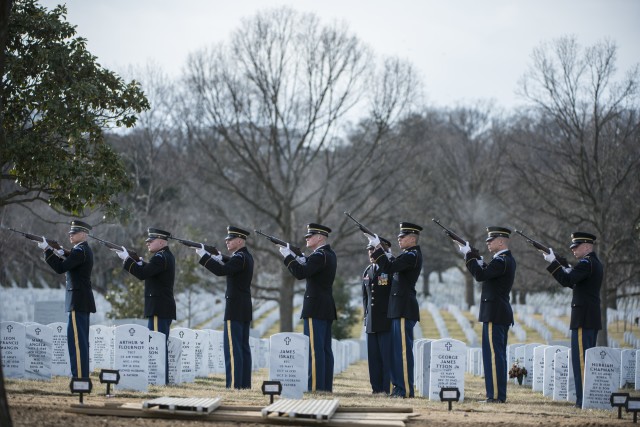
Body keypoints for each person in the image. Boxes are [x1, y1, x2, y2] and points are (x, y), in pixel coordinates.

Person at [542, 231, 602, 409]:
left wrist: (553, 263)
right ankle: (584, 399)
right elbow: (574, 278)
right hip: (588, 317)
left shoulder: (587, 263)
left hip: (583, 318)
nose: (573, 250)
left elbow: (567, 280)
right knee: (582, 360)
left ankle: (583, 400)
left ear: (587, 246)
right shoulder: (592, 263)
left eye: (576, 247)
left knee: (581, 361)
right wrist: (564, 265)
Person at [458, 226, 515, 403]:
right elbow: (487, 272)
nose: (488, 243)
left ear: (501, 241)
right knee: (496, 355)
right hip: (497, 313)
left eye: (491, 240)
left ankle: (496, 396)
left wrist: (468, 256)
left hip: (494, 314)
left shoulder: (502, 260)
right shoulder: (503, 260)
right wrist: (478, 259)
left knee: (493, 356)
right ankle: (496, 395)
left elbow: (480, 275)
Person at [193, 226, 254, 389]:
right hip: (244, 307)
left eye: (231, 239)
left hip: (234, 308)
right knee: (242, 348)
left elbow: (221, 271)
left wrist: (204, 256)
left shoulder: (240, 257)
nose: (226, 241)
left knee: (233, 349)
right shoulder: (245, 256)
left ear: (240, 241)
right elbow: (230, 263)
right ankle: (244, 385)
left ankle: (234, 385)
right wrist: (219, 256)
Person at [279, 223, 337, 393]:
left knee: (314, 349)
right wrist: (301, 258)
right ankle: (325, 386)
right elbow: (309, 267)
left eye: (310, 236)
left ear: (320, 237)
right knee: (324, 349)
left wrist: (287, 256)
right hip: (325, 306)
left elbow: (300, 273)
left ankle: (315, 386)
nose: (307, 238)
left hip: (315, 306)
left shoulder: (320, 255)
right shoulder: (329, 254)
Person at [367, 222, 422, 398]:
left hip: (404, 308)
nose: (399, 239)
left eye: (402, 237)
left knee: (403, 353)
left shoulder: (412, 255)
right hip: (398, 309)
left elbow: (389, 267)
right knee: (398, 353)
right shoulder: (406, 255)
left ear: (412, 238)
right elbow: (390, 264)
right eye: (398, 236)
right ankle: (399, 387)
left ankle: (405, 389)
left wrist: (378, 247)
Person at [115, 228, 176, 385]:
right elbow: (149, 270)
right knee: (158, 344)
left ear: (162, 241)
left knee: (156, 344)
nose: (148, 242)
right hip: (161, 307)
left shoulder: (160, 257)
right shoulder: (163, 257)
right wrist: (139, 262)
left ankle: (159, 380)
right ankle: (161, 379)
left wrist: (127, 260)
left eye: (152, 240)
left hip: (158, 308)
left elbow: (143, 274)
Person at [38, 220, 96, 379]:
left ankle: (79, 377)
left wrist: (47, 251)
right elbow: (70, 260)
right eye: (70, 232)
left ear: (84, 234)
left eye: (74, 232)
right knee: (80, 341)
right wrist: (60, 251)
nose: (70, 234)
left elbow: (60, 268)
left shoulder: (80, 251)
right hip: (81, 300)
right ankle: (81, 374)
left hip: (78, 301)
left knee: (76, 341)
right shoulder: (81, 250)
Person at [362, 236, 393, 395]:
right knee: (373, 358)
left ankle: (386, 388)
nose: (370, 252)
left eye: (373, 249)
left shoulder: (388, 268)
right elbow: (365, 298)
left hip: (386, 320)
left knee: (385, 357)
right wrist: (366, 317)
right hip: (371, 321)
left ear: (383, 249)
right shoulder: (368, 271)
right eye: (369, 250)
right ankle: (376, 388)